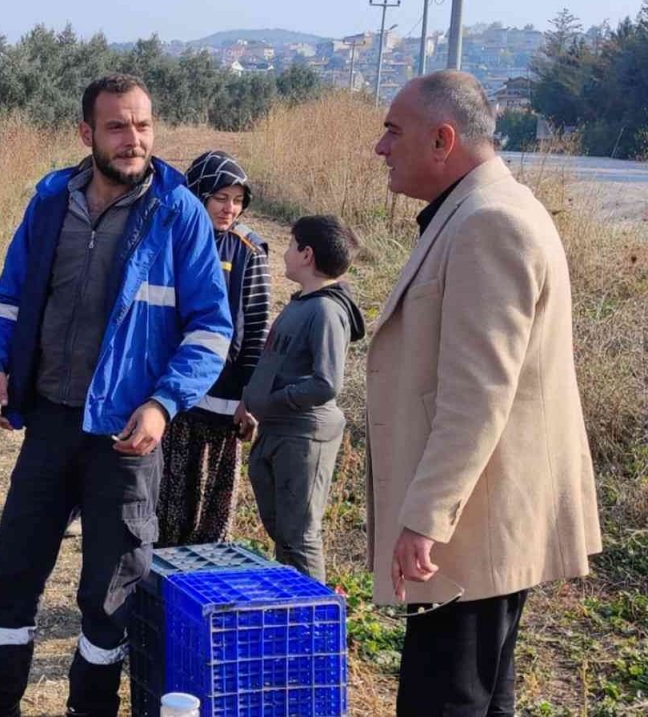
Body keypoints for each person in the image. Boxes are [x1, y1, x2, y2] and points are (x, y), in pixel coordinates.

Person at [0, 74, 232, 717]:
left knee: (108, 594)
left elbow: (210, 327)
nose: (132, 139)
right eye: (117, 126)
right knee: (11, 577)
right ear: (87, 134)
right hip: (52, 421)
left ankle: (90, 711)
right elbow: (9, 294)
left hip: (126, 435)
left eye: (142, 125)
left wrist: (164, 403)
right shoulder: (51, 204)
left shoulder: (179, 216)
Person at [369, 71, 601, 715]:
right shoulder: (484, 209)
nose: (380, 147)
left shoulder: (488, 223)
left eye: (393, 131)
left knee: (445, 699)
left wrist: (426, 517)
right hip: (482, 513)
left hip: (473, 520)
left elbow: (479, 393)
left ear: (443, 139)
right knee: (479, 694)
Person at [239, 215, 364, 582]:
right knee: (286, 534)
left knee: (300, 537)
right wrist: (251, 401)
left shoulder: (326, 311)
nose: (286, 252)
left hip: (303, 436)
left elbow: (326, 384)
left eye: (292, 245)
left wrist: (273, 401)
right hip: (279, 432)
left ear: (307, 254)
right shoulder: (302, 303)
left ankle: (315, 624)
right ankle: (292, 609)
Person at [156, 151, 271, 547]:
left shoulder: (249, 251)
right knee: (168, 496)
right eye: (221, 197)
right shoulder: (171, 237)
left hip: (223, 397)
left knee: (213, 506)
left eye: (237, 200)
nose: (230, 209)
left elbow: (255, 329)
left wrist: (249, 398)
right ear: (198, 193)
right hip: (175, 392)